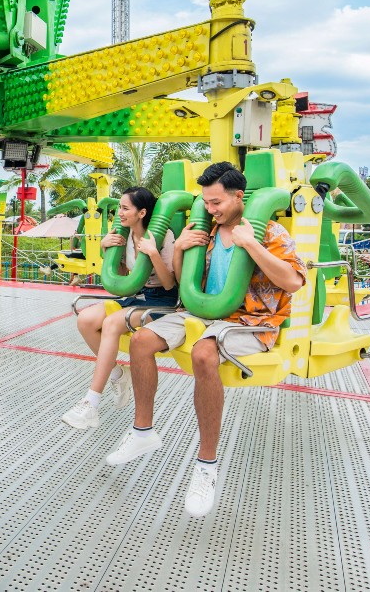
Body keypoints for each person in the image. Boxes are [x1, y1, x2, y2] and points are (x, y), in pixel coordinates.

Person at [104, 162, 305, 518]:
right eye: (207, 203)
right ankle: (142, 431)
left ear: (238, 196)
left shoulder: (270, 231)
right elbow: (184, 284)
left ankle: (206, 467)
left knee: (203, 353)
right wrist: (179, 250)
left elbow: (292, 282)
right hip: (200, 311)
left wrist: (252, 245)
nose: (211, 210)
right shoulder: (208, 231)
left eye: (217, 203)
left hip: (249, 320)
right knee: (141, 341)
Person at [61, 187, 177, 430]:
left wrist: (153, 253)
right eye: (119, 208)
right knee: (86, 320)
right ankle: (117, 374)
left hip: (161, 299)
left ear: (142, 212)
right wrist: (107, 251)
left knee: (112, 323)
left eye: (125, 208)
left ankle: (91, 403)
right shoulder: (124, 236)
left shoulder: (163, 235)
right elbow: (124, 278)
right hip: (135, 296)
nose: (119, 213)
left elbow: (169, 284)